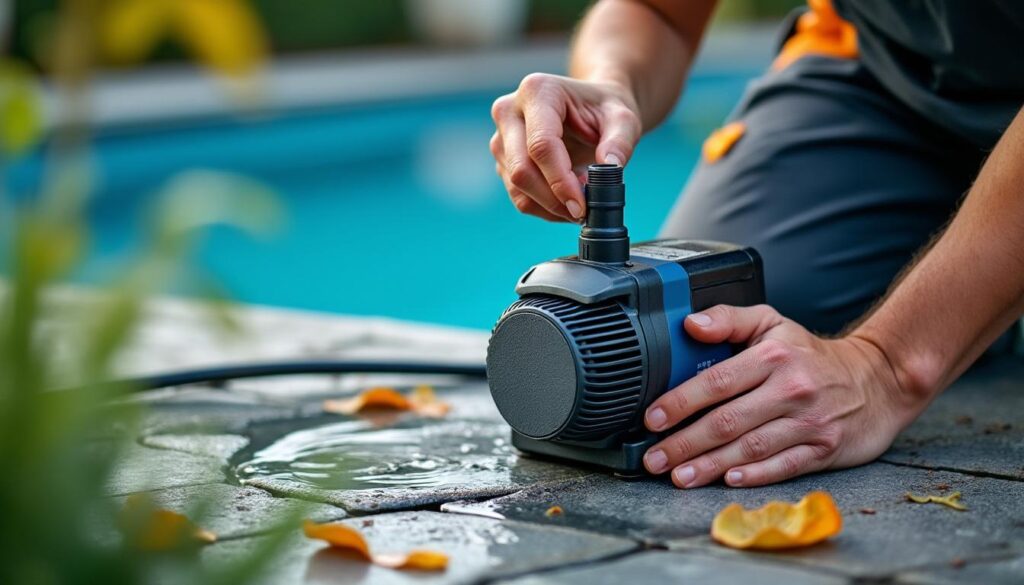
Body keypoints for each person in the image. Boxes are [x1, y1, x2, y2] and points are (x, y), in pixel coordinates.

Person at [488, 0, 1024, 488]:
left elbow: (881, 367)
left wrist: (885, 365)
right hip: (881, 73)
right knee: (738, 338)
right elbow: (659, 12)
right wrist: (612, 86)